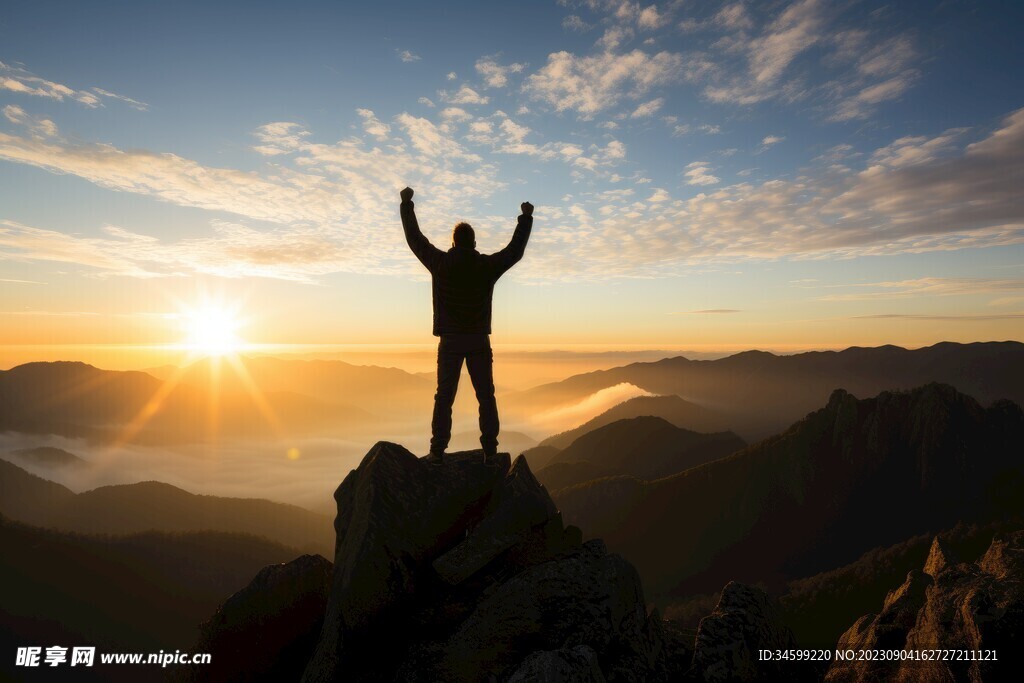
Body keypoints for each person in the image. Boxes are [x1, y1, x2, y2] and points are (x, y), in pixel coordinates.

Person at [399, 186, 533, 464]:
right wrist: (525, 219)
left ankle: (437, 450)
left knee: (444, 396)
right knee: (486, 395)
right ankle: (490, 450)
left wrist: (407, 205)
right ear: (473, 243)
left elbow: (415, 240)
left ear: (454, 241)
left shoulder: (441, 263)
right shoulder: (485, 266)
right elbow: (514, 251)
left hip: (449, 342)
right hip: (478, 341)